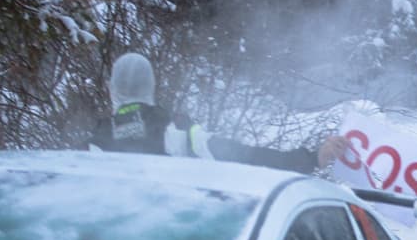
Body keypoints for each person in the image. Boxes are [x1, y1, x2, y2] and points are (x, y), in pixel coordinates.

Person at [91, 52, 347, 174]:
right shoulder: (179, 131)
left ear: (111, 89)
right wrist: (312, 158)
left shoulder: (93, 147)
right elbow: (247, 157)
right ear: (152, 86)